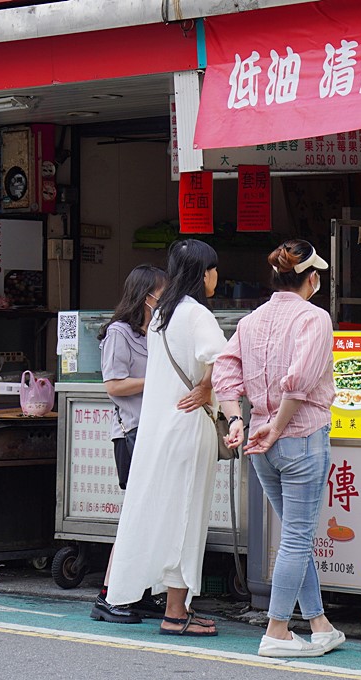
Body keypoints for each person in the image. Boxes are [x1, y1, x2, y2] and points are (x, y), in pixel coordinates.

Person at [213, 239, 345, 659]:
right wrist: (276, 426)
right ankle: (277, 631)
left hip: (261, 444)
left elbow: (225, 370)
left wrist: (238, 420)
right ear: (312, 279)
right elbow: (301, 381)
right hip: (299, 437)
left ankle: (320, 624)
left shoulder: (251, 321)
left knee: (295, 536)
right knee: (297, 538)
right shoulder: (315, 318)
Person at [105, 239, 226, 637]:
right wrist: (210, 389)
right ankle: (176, 613)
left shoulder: (162, 316)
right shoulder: (197, 315)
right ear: (201, 273)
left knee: (169, 516)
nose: (216, 276)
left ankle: (175, 606)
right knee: (186, 520)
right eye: (213, 269)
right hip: (190, 430)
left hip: (162, 431)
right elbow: (224, 363)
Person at [90, 264, 167, 624]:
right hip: (132, 434)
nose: (164, 299)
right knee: (136, 517)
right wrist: (155, 379)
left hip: (155, 432)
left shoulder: (153, 331)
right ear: (144, 294)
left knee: (153, 517)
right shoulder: (119, 333)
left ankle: (140, 592)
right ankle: (109, 595)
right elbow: (114, 385)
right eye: (160, 292)